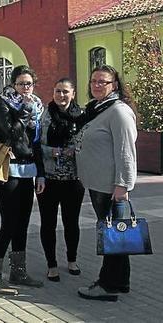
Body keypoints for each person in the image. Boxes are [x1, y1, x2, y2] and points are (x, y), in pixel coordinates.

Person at [0, 65, 45, 295]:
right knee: (9, 223)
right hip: (7, 169)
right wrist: (23, 110)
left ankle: (18, 271)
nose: (24, 89)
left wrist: (41, 173)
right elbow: (12, 133)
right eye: (20, 84)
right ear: (12, 84)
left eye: (28, 84)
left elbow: (36, 143)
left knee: (22, 224)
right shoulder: (4, 104)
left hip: (28, 169)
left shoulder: (38, 107)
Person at [76, 65, 137, 302]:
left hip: (111, 187)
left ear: (114, 85)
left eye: (103, 81)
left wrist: (123, 185)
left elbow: (126, 152)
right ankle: (121, 282)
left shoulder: (118, 111)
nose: (97, 85)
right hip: (99, 185)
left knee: (111, 237)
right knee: (116, 236)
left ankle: (107, 285)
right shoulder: (97, 109)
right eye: (93, 81)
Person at [36, 78, 85, 282]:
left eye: (65, 92)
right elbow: (37, 146)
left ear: (73, 93)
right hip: (48, 179)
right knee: (48, 223)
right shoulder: (45, 116)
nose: (61, 96)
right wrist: (53, 152)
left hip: (74, 179)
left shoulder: (82, 116)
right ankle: (51, 264)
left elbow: (87, 143)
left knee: (71, 222)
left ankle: (72, 260)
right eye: (57, 91)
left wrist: (76, 150)